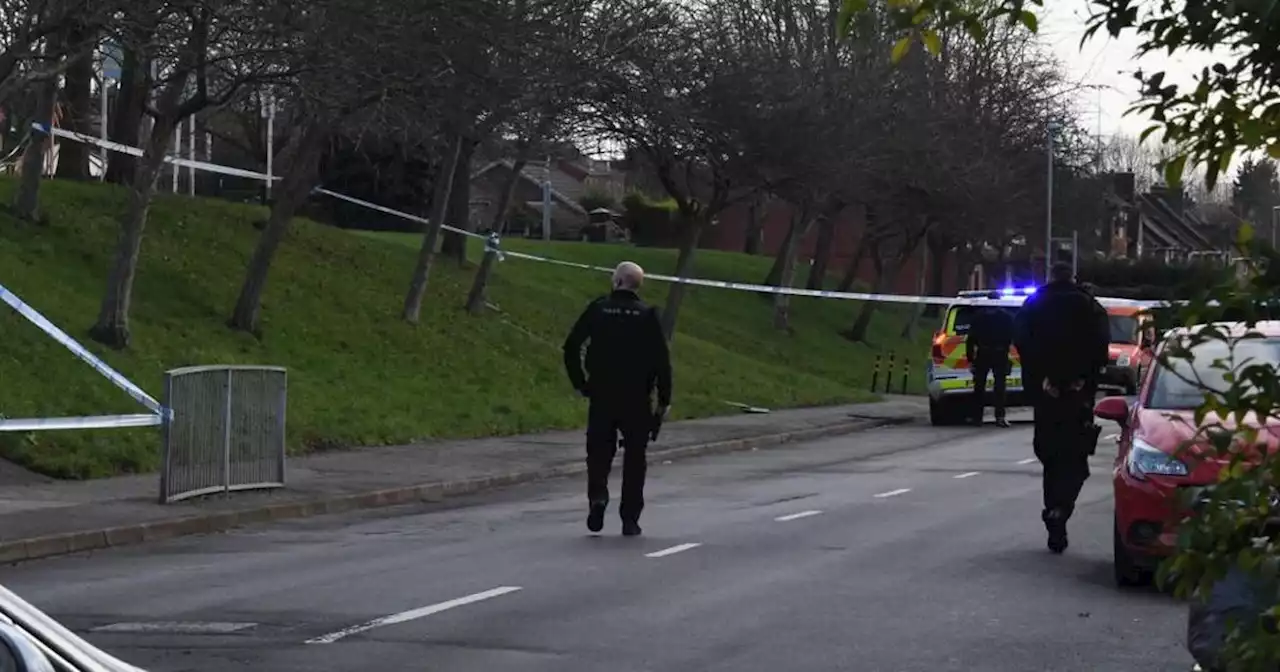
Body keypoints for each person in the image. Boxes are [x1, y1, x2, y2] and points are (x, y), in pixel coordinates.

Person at [562, 261, 673, 537]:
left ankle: (598, 497)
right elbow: (662, 361)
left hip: (602, 393)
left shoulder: (598, 309)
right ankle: (630, 518)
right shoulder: (648, 315)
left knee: (598, 453)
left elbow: (571, 346)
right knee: (636, 458)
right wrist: (663, 400)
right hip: (637, 397)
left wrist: (580, 383)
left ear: (618, 281)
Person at [1014, 263, 1109, 553]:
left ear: (1051, 277)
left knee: (1050, 455)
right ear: (1073, 278)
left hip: (1047, 394)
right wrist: (1084, 379)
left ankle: (1054, 508)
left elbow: (1022, 341)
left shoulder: (1033, 304)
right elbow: (1100, 346)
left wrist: (1041, 378)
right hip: (1077, 396)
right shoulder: (1089, 306)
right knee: (1076, 459)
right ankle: (1061, 509)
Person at [965, 303, 1015, 427]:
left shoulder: (979, 317)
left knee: (979, 387)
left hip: (984, 353)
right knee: (1000, 387)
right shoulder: (1006, 317)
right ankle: (1000, 417)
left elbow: (971, 338)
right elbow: (1012, 335)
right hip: (1000, 353)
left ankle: (977, 418)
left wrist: (970, 358)